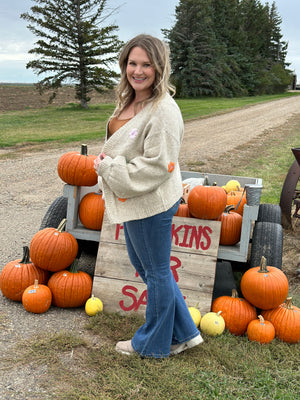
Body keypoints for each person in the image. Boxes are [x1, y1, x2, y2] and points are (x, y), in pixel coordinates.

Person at [94, 34, 203, 358]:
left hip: (150, 202)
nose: (138, 71)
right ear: (124, 64)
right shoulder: (130, 99)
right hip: (135, 200)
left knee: (155, 272)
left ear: (159, 68)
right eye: (132, 63)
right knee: (151, 270)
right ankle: (186, 332)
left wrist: (109, 169)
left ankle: (152, 345)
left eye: (146, 64)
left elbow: (157, 166)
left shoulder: (164, 111)